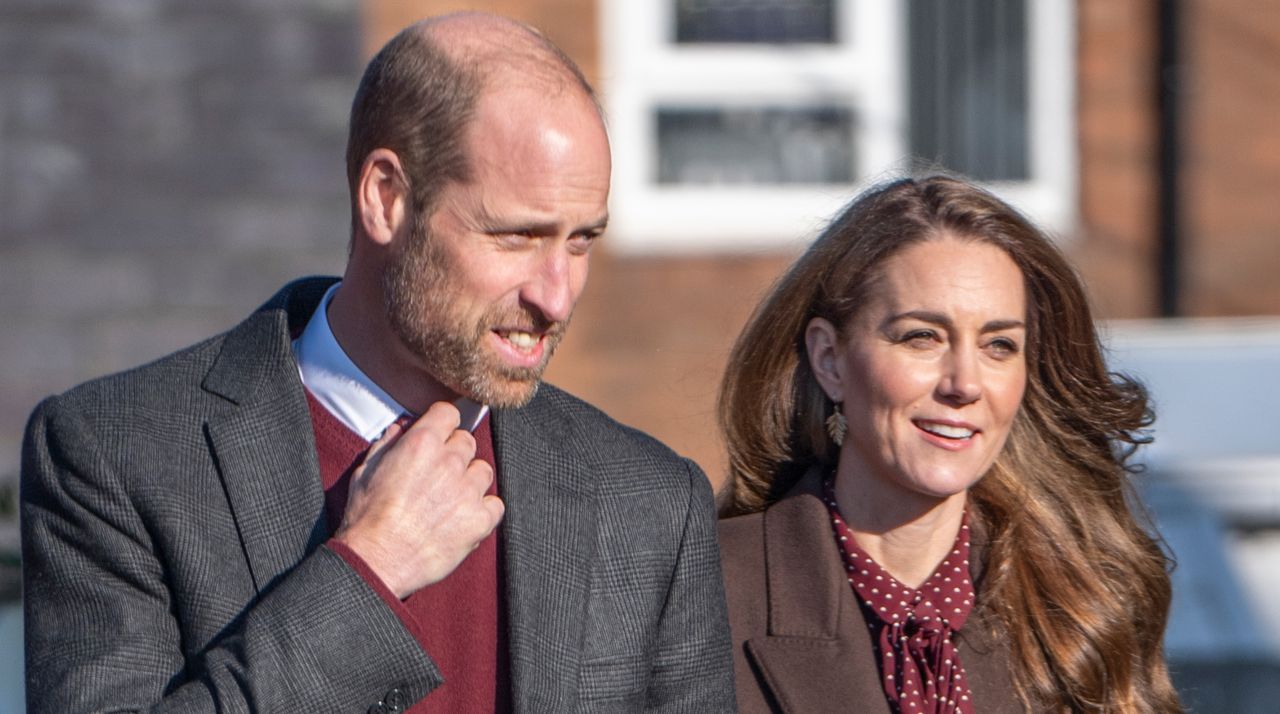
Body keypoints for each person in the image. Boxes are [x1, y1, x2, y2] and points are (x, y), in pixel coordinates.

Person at [21, 13, 733, 713]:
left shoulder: (648, 504)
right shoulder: (114, 456)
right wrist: (368, 570)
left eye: (581, 241)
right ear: (386, 198)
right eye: (517, 236)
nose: (557, 295)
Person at [716, 176, 1182, 713]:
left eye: (999, 345)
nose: (964, 383)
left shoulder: (1085, 607)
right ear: (829, 359)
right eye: (922, 337)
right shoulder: (705, 590)